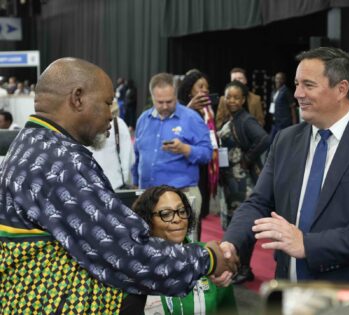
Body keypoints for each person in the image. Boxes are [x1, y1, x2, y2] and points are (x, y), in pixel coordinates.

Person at [0, 58, 238, 314]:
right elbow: (128, 255)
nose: (111, 114)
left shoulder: (31, 142)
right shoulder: (59, 160)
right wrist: (208, 258)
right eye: (106, 102)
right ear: (77, 98)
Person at [219, 47, 349, 282]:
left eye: (308, 85)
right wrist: (231, 244)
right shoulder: (285, 140)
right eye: (296, 84)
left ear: (341, 89)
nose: (297, 93)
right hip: (290, 290)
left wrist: (308, 244)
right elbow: (259, 202)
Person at [132, 72, 213, 242]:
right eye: (159, 102)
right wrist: (134, 182)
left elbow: (207, 154)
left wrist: (185, 149)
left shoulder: (191, 118)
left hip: (182, 194)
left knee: (184, 247)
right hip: (148, 196)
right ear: (152, 97)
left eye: (169, 101)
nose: (164, 106)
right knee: (149, 244)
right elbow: (138, 155)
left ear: (175, 95)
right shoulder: (143, 119)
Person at [132, 185, 237, 315]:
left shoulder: (211, 256)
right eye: (166, 214)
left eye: (182, 211)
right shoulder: (135, 264)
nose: (177, 219)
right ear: (147, 220)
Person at [217, 80, 270, 284]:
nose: (231, 100)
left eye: (236, 97)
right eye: (228, 96)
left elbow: (264, 139)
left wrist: (247, 158)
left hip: (242, 182)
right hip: (230, 181)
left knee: (243, 225)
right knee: (233, 225)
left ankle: (245, 268)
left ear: (243, 100)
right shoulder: (231, 118)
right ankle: (239, 266)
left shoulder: (246, 119)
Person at [177, 70, 219, 229]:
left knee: (198, 215)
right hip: (188, 169)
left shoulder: (208, 112)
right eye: (200, 86)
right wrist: (189, 109)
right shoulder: (180, 109)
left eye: (206, 87)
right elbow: (176, 131)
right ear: (189, 90)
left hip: (205, 166)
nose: (205, 90)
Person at [89, 100, 135, 190]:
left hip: (91, 188)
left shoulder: (80, 125)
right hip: (115, 187)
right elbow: (129, 159)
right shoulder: (119, 124)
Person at [269, 72, 296, 142]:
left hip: (284, 123)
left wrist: (294, 125)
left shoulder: (286, 91)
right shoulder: (274, 92)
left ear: (284, 80)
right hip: (275, 122)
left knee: (282, 142)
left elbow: (292, 107)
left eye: (280, 78)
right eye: (276, 78)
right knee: (270, 141)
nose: (278, 80)